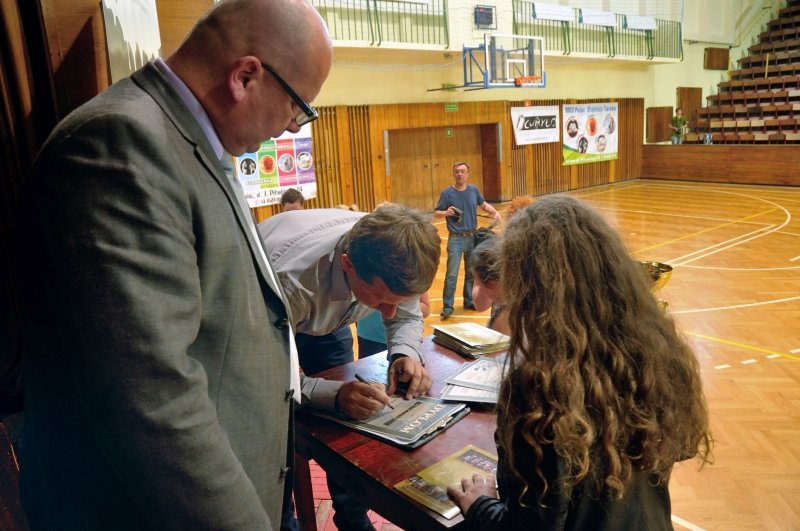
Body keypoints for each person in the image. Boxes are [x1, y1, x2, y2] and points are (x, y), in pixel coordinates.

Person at [13, 1, 332, 529]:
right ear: (246, 76)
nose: (289, 128)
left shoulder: (187, 137)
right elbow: (152, 402)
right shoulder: (121, 145)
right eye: (299, 106)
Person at [448, 195, 713, 529]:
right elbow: (681, 447)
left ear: (531, 287)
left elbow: (533, 526)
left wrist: (480, 506)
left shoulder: (540, 386)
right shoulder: (657, 350)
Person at [258, 204, 440, 531]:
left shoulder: (396, 254)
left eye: (398, 299)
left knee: (353, 414)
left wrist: (404, 353)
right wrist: (330, 394)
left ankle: (354, 520)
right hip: (267, 314)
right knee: (276, 434)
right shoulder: (291, 283)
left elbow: (407, 314)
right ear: (347, 265)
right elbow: (265, 374)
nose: (388, 313)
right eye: (381, 299)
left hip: (324, 315)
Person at [434, 162, 501, 319]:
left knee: (471, 273)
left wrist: (495, 212)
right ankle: (448, 307)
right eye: (456, 171)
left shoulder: (473, 190)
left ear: (467, 174)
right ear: (453, 174)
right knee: (452, 274)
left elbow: (483, 205)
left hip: (472, 237)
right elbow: (436, 213)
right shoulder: (447, 194)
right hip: (455, 240)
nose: (459, 174)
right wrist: (445, 212)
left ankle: (468, 300)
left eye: (462, 171)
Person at [357, 292, 431, 357]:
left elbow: (426, 308)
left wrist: (404, 306)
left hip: (403, 336)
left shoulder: (411, 278)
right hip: (369, 335)